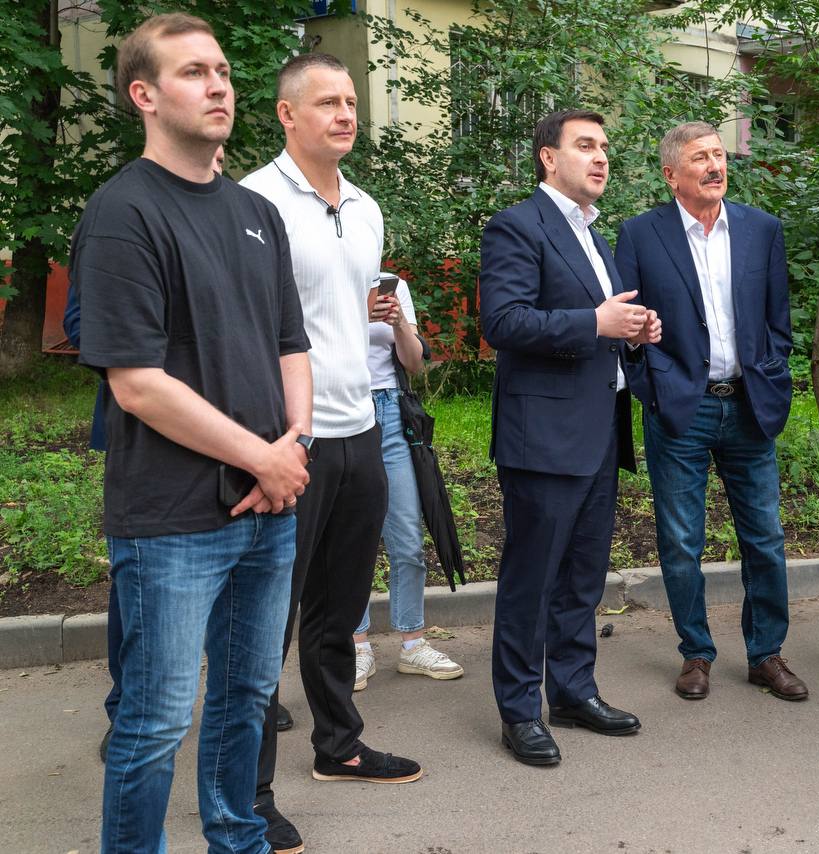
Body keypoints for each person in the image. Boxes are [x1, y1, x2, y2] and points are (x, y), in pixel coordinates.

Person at [73, 14, 312, 852]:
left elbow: (290, 344)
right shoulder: (123, 212)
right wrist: (264, 460)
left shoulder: (256, 212)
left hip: (268, 508)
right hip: (172, 520)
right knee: (156, 720)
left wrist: (293, 449)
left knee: (247, 699)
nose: (218, 86)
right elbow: (137, 384)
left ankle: (237, 838)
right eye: (193, 73)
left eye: (223, 71)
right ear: (144, 95)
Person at [241, 53, 420, 854]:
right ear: (287, 114)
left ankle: (338, 746)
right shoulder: (253, 201)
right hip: (291, 439)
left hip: (362, 429)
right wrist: (271, 440)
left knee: (338, 611)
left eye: (351, 102)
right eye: (327, 103)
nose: (346, 114)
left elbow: (351, 321)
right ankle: (247, 794)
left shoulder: (367, 206)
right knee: (264, 624)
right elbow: (244, 333)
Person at [480, 108, 658, 766]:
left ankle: (574, 691)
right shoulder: (517, 225)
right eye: (585, 145)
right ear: (548, 158)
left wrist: (631, 332)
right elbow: (503, 322)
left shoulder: (592, 233)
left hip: (599, 428)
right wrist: (595, 323)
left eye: (605, 146)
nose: (601, 156)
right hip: (544, 436)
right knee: (532, 579)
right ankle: (519, 710)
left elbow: (601, 323)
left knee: (583, 575)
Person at [614, 122, 806, 701]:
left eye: (719, 155)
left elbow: (777, 319)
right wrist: (653, 385)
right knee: (680, 541)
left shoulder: (760, 229)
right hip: (681, 408)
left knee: (765, 537)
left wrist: (772, 370)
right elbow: (629, 327)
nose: (714, 166)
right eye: (700, 158)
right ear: (671, 174)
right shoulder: (640, 234)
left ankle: (766, 654)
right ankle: (695, 652)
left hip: (749, 403)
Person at [72, 145, 226, 765]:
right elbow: (84, 323)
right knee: (142, 586)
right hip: (150, 433)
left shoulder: (234, 221)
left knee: (235, 570)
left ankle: (237, 696)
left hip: (230, 428)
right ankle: (128, 708)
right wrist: (166, 355)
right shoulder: (122, 217)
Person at [350, 276, 464, 688]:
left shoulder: (391, 286)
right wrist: (360, 313)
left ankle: (413, 643)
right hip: (344, 410)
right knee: (351, 541)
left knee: (407, 540)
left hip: (392, 412)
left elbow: (414, 363)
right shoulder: (327, 277)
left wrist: (398, 322)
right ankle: (356, 646)